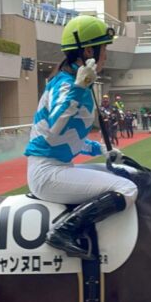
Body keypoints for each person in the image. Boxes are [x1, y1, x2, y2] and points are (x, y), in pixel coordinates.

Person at [24, 15, 138, 260]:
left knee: (126, 173)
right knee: (127, 189)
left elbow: (70, 138)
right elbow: (54, 128)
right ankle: (63, 231)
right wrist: (79, 87)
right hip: (46, 173)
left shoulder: (77, 82)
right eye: (104, 48)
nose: (106, 55)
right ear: (89, 51)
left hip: (59, 166)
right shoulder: (67, 84)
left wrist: (101, 151)